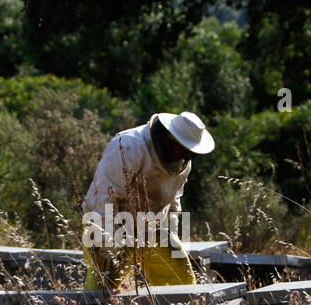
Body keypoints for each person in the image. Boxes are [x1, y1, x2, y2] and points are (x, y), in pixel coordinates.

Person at [81, 111, 215, 290]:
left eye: (189, 152)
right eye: (181, 149)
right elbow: (102, 197)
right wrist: (107, 242)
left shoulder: (183, 161)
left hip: (151, 224)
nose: (184, 156)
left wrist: (172, 229)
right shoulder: (129, 146)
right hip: (109, 221)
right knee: (103, 290)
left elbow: (174, 199)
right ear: (168, 138)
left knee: (182, 282)